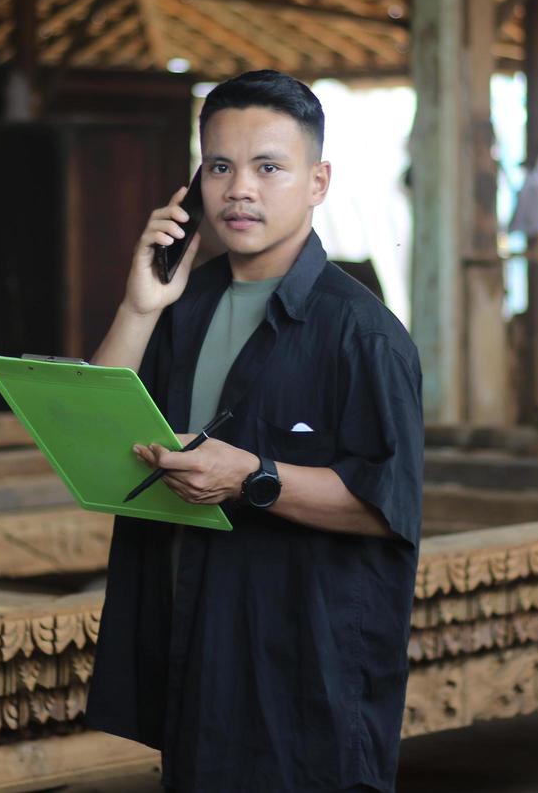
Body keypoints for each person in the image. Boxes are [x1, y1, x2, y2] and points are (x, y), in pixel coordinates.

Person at [85, 70, 424, 792]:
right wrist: (140, 305)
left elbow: (388, 505)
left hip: (303, 661)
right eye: (220, 167)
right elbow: (97, 435)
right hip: (198, 640)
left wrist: (252, 477)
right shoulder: (184, 308)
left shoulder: (362, 336)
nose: (241, 189)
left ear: (317, 181)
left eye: (270, 167)